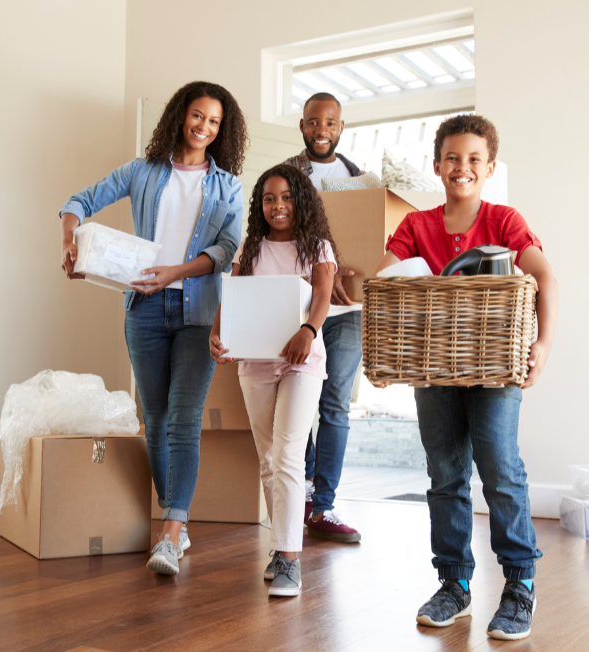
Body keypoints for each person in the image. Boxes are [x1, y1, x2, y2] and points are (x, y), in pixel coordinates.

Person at [374, 114, 558, 641]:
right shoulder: (416, 227)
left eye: (474, 158)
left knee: (499, 467)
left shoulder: (503, 221)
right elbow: (386, 284)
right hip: (433, 372)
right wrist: (385, 351)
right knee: (445, 474)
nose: (462, 167)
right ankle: (454, 584)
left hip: (495, 367)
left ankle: (520, 584)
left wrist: (542, 344)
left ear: (490, 167)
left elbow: (544, 276)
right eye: (452, 158)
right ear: (437, 166)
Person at [59, 81, 247, 576]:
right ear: (179, 116)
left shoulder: (228, 186)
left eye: (214, 122)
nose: (203, 127)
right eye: (197, 116)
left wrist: (175, 272)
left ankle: (168, 533)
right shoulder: (142, 172)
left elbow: (228, 250)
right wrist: (71, 242)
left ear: (221, 131)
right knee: (156, 419)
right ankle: (177, 524)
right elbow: (79, 201)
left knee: (185, 420)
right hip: (142, 311)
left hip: (198, 312)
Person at [209, 164, 337, 597]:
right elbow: (236, 292)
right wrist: (218, 332)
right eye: (268, 198)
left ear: (300, 199)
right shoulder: (252, 246)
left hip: (302, 359)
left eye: (285, 197)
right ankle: (281, 548)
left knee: (286, 453)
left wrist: (309, 331)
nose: (277, 206)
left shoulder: (316, 245)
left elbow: (321, 294)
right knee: (269, 458)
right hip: (256, 361)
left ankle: (288, 559)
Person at [284, 92, 363, 543]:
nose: (321, 131)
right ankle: (307, 490)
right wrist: (323, 268)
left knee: (334, 404)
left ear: (340, 128)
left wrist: (349, 268)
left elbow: (372, 238)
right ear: (302, 126)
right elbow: (277, 229)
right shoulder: (288, 176)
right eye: (313, 123)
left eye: (329, 123)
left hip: (348, 308)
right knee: (300, 395)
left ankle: (325, 505)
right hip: (300, 304)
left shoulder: (362, 181)